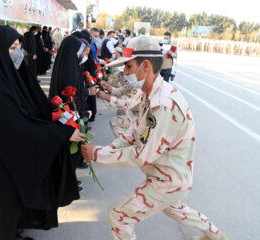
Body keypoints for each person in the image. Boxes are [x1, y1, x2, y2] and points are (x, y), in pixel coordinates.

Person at [81, 36, 228, 240]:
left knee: (118, 216)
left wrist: (98, 154)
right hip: (170, 175)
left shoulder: (163, 103)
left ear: (146, 66)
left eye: (128, 67)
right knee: (173, 208)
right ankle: (215, 236)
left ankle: (215, 236)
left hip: (168, 180)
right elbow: (135, 132)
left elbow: (143, 154)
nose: (124, 73)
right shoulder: (149, 93)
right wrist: (108, 149)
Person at [0, 25, 84, 240]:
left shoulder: (7, 74)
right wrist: (60, 133)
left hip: (8, 148)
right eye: (11, 48)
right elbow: (15, 123)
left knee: (13, 201)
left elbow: (31, 102)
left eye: (18, 46)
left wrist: (58, 115)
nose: (18, 53)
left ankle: (11, 234)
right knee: (5, 201)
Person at [49, 35, 93, 186]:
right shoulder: (69, 71)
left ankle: (68, 181)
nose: (82, 56)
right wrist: (82, 115)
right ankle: (67, 183)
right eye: (81, 52)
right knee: (69, 152)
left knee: (71, 152)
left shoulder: (69, 66)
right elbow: (71, 99)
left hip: (70, 116)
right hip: (70, 117)